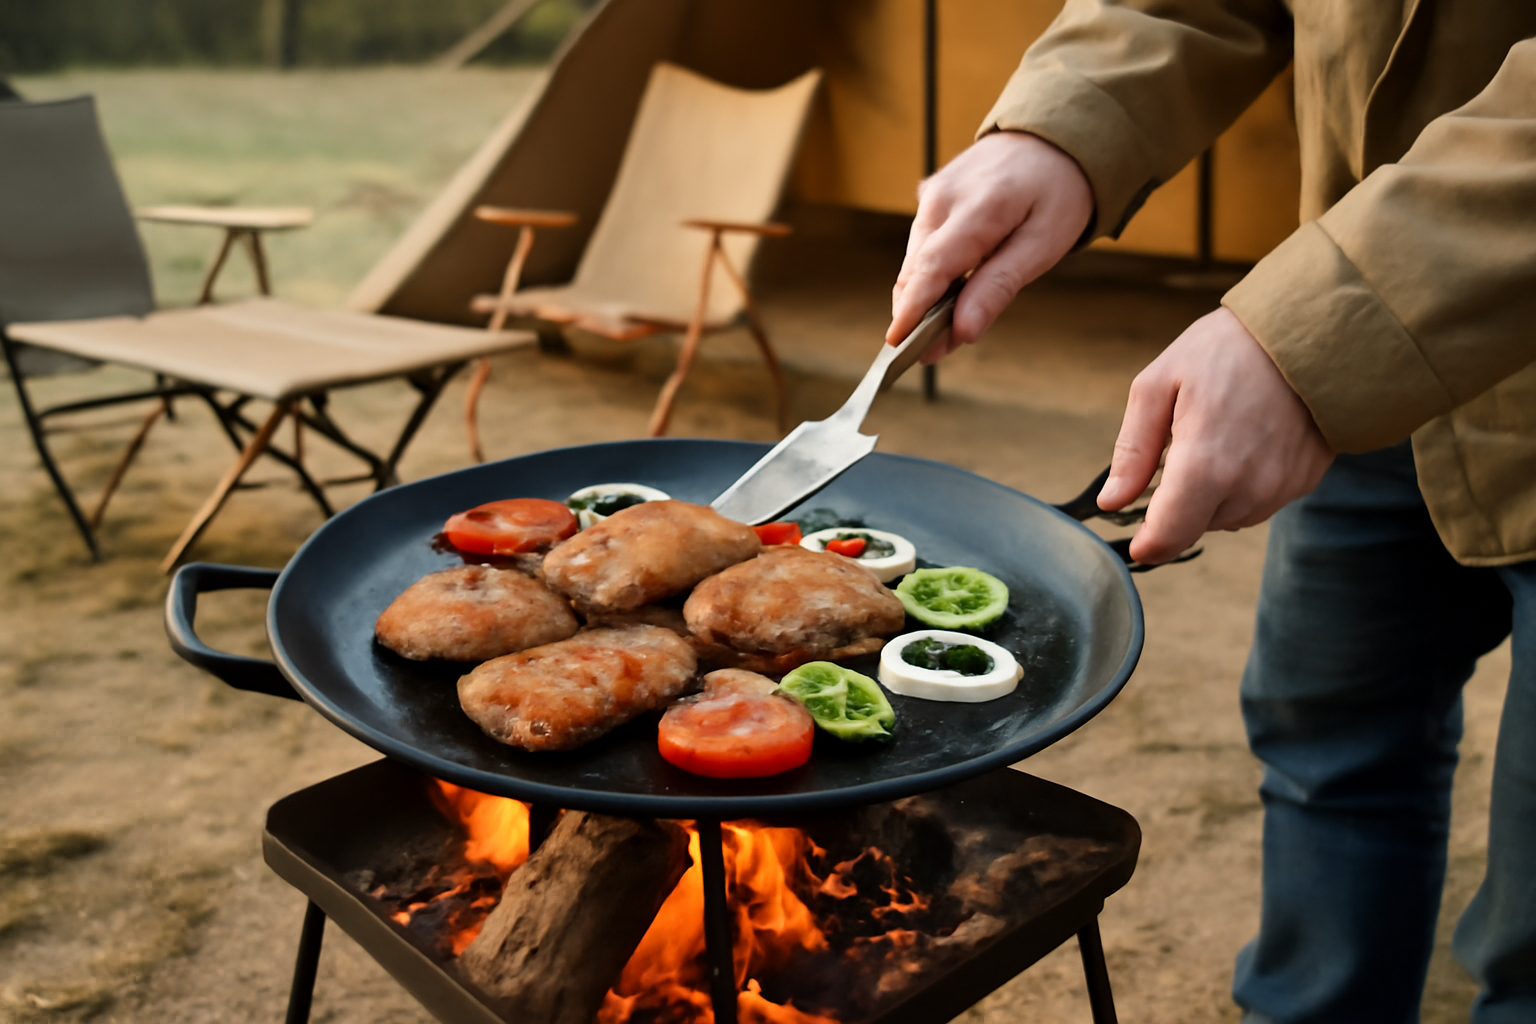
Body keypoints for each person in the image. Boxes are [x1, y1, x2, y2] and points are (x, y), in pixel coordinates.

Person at [885, 2, 1536, 1021]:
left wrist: (1317, 328)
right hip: (1375, 384)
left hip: (1362, 326)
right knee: (1330, 746)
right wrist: (1066, 125)